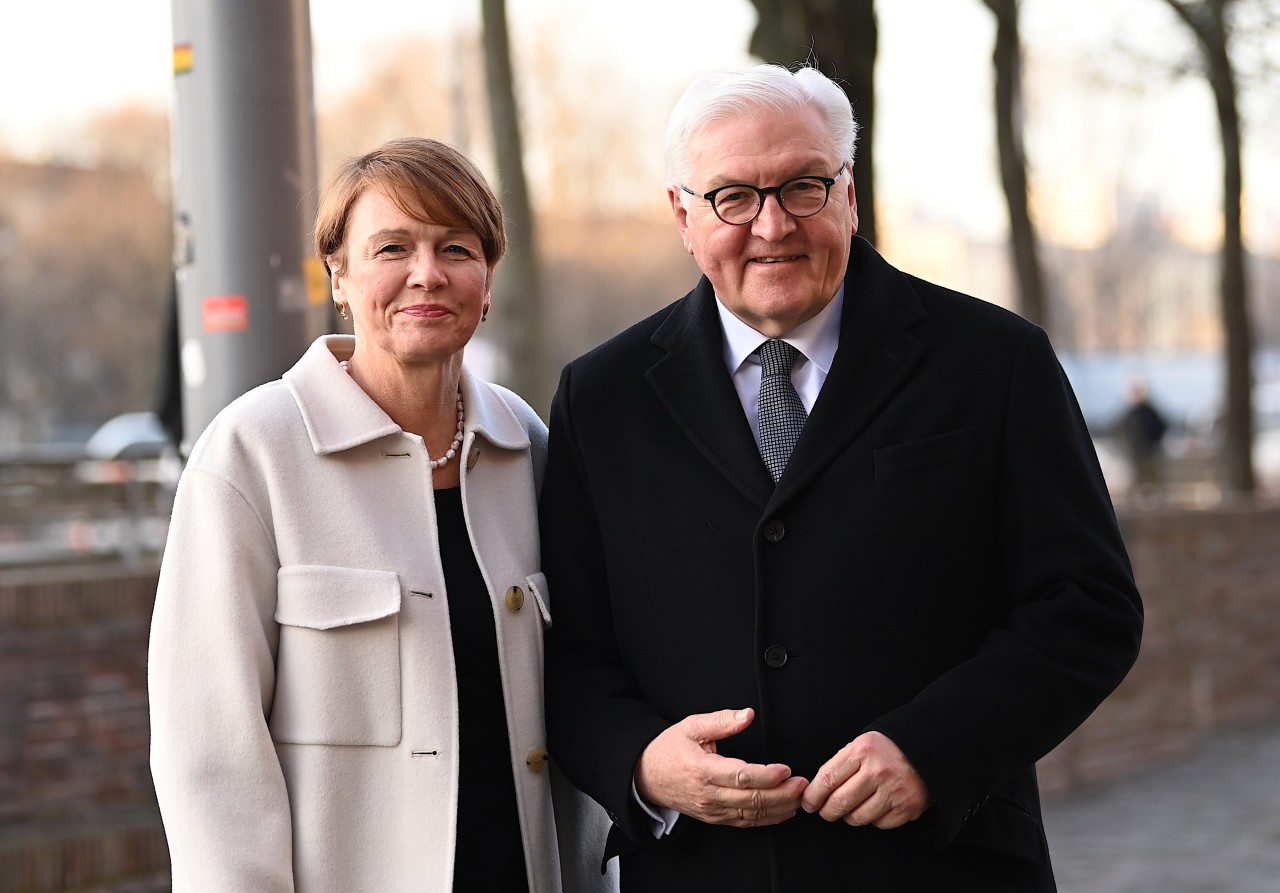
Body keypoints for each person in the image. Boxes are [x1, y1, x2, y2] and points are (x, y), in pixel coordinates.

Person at [540, 64, 1143, 891]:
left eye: (803, 186)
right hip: (701, 873)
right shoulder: (600, 399)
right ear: (681, 214)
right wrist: (645, 764)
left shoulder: (994, 363)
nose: (772, 224)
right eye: (733, 197)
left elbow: (1088, 608)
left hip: (944, 865)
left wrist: (935, 748)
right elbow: (570, 654)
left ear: (849, 193)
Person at [149, 137, 617, 893]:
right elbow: (210, 756)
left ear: (487, 278)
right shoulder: (251, 452)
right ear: (338, 273)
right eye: (393, 246)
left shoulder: (528, 445)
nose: (426, 274)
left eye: (455, 248)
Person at [1119, 376, 1169, 497]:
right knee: (1136, 478)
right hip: (1136, 452)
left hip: (1149, 450)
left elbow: (1161, 426)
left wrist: (1154, 442)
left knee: (1153, 477)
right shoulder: (1131, 413)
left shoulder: (1149, 411)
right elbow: (1123, 430)